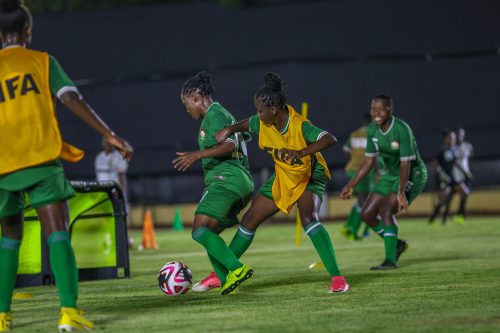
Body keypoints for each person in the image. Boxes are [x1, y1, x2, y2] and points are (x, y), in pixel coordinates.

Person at [0, 0, 133, 331]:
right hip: (42, 160)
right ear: (27, 31)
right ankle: (68, 313)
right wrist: (110, 134)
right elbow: (72, 99)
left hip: (3, 167)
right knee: (57, 233)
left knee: (8, 239)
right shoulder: (41, 62)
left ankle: (2, 318)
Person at [213, 72, 350, 293]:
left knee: (308, 217)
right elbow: (248, 124)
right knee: (249, 219)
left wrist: (303, 151)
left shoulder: (299, 125)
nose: (257, 114)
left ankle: (338, 278)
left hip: (310, 175)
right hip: (284, 176)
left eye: (260, 110)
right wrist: (230, 128)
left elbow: (329, 138)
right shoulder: (263, 122)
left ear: (274, 110)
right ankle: (221, 272)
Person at [172, 70, 255, 295]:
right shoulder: (221, 114)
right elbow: (242, 138)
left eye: (186, 103)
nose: (186, 108)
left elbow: (230, 145)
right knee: (209, 234)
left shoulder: (215, 115)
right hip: (239, 181)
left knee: (199, 230)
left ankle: (236, 269)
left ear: (196, 98)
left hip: (226, 180)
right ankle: (227, 279)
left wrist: (196, 155)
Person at [340, 95, 427, 270]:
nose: (376, 113)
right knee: (366, 214)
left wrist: (401, 193)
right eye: (373, 109)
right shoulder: (372, 130)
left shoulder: (402, 129)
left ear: (390, 110)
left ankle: (390, 260)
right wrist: (351, 185)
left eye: (381, 109)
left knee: (387, 209)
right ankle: (397, 244)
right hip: (390, 174)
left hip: (412, 174)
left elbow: (406, 163)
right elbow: (368, 162)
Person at [340, 113, 375, 240]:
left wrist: (352, 160)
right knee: (363, 200)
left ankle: (348, 226)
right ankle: (352, 231)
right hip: (363, 171)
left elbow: (345, 149)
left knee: (363, 200)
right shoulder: (373, 135)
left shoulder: (354, 134)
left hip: (352, 169)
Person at [428, 130, 458, 224]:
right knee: (444, 198)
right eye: (450, 138)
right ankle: (436, 217)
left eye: (453, 138)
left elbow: (454, 164)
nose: (452, 140)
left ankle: (442, 217)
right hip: (441, 179)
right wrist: (441, 173)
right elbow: (435, 163)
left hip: (450, 178)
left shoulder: (454, 151)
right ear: (446, 139)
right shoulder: (442, 150)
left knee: (447, 198)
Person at [452, 127, 473, 224]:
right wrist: (464, 172)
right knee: (464, 193)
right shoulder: (453, 147)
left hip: (466, 174)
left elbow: (471, 155)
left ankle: (461, 216)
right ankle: (459, 215)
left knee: (464, 196)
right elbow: (455, 162)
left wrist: (466, 171)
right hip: (457, 176)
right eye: (458, 135)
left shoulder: (467, 146)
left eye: (461, 135)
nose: (459, 137)